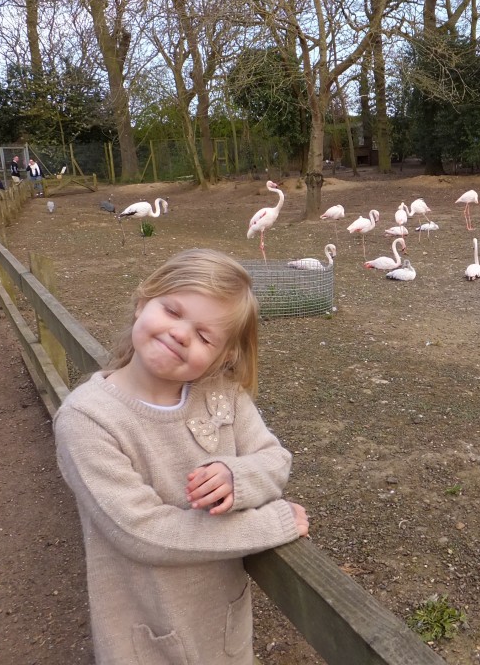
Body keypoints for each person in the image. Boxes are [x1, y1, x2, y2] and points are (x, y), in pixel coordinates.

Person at [53, 248, 308, 664]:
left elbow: (274, 458)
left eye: (205, 336)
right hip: (145, 633)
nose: (181, 333)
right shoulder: (88, 419)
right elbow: (141, 531)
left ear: (223, 356)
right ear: (142, 302)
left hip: (223, 626)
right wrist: (270, 525)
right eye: (172, 311)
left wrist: (236, 476)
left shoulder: (224, 395)